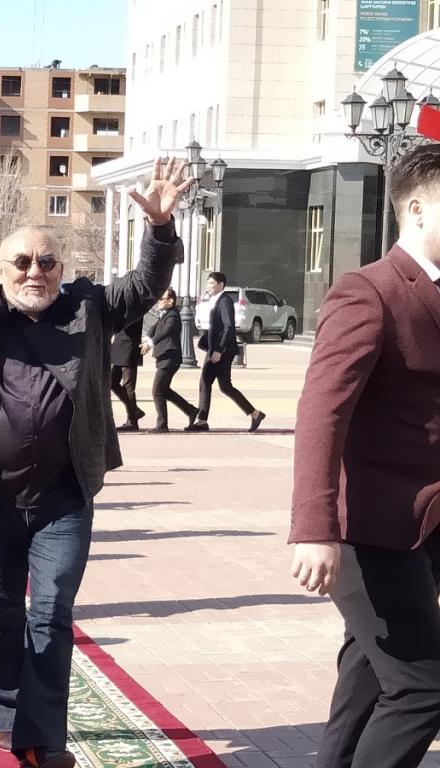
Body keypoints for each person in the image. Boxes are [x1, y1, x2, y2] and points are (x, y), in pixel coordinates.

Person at [0, 151, 189, 768]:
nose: (34, 271)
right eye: (22, 262)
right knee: (0, 615)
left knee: (52, 614)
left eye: (47, 261)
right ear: (0, 270)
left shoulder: (88, 308)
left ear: (63, 268)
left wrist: (161, 227)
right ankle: (6, 713)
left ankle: (44, 740)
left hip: (64, 500)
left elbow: (146, 283)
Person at [289, 143, 440, 768]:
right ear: (417, 209)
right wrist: (313, 529)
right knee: (423, 688)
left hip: (426, 522)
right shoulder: (369, 292)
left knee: (373, 670)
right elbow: (321, 412)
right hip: (371, 528)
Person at [188, 271, 265, 432]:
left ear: (221, 284)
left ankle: (202, 421)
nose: (208, 286)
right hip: (217, 349)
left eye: (211, 283)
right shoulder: (217, 300)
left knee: (208, 382)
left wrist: (219, 350)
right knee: (223, 386)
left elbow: (229, 326)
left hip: (221, 351)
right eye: (208, 283)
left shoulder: (224, 301)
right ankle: (254, 413)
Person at [141, 288, 198, 431]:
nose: (158, 301)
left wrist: (150, 344)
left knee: (157, 391)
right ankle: (191, 411)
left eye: (161, 299)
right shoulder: (165, 314)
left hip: (170, 358)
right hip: (164, 357)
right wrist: (146, 339)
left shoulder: (173, 315)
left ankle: (162, 425)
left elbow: (165, 332)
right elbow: (153, 329)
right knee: (164, 390)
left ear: (170, 301)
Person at [110, 319, 145, 431]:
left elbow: (121, 324)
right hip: (119, 346)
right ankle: (135, 410)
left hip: (129, 346)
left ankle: (132, 421)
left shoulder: (134, 310)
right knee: (112, 382)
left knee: (128, 386)